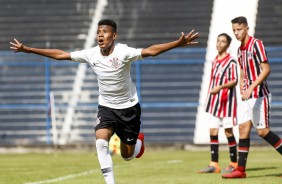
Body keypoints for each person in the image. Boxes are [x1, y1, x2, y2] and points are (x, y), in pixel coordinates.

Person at [10, 19, 199, 184]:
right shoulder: (91, 54)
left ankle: (138, 144)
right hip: (106, 107)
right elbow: (61, 55)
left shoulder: (123, 52)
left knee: (127, 156)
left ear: (114, 35)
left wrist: (177, 43)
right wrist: (28, 49)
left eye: (105, 32)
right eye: (98, 32)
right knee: (101, 143)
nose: (100, 35)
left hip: (128, 108)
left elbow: (150, 51)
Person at [222, 16, 282, 179]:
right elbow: (242, 70)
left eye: (239, 29)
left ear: (247, 28)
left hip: (260, 95)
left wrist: (250, 88)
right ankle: (240, 170)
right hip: (246, 96)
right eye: (234, 30)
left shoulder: (257, 44)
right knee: (243, 130)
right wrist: (242, 87)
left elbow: (266, 69)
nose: (236, 33)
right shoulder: (239, 50)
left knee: (262, 132)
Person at [198, 33, 238, 174]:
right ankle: (214, 164)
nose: (219, 44)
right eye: (218, 41)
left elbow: (234, 80)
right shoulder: (215, 60)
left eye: (222, 41)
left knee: (228, 132)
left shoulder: (231, 61)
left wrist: (220, 88)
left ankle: (234, 163)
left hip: (227, 102)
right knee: (213, 131)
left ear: (228, 45)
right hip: (215, 102)